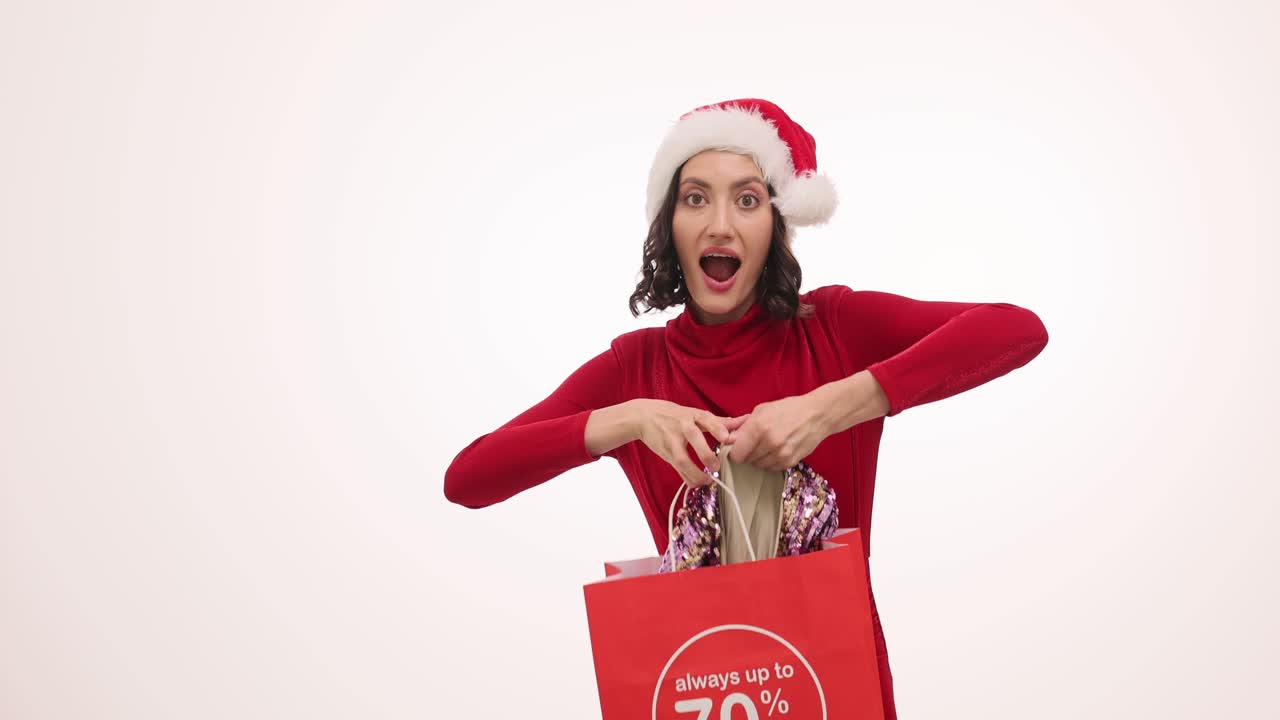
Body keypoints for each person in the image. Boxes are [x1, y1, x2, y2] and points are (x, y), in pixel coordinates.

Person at [443, 98, 1050, 718]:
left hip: (839, 690)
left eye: (748, 199)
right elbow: (467, 478)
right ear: (669, 224)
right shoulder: (635, 372)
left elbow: (1016, 330)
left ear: (778, 223)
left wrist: (830, 408)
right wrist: (629, 419)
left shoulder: (834, 329)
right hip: (696, 688)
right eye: (696, 198)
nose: (720, 225)